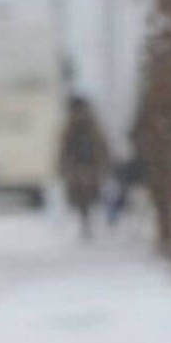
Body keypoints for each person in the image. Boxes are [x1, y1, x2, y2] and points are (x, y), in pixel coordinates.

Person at [58, 95, 112, 240]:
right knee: (87, 195)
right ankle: (88, 221)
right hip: (86, 166)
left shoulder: (73, 126)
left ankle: (86, 221)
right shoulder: (92, 125)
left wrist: (63, 167)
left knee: (84, 196)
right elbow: (102, 147)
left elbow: (64, 149)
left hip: (82, 166)